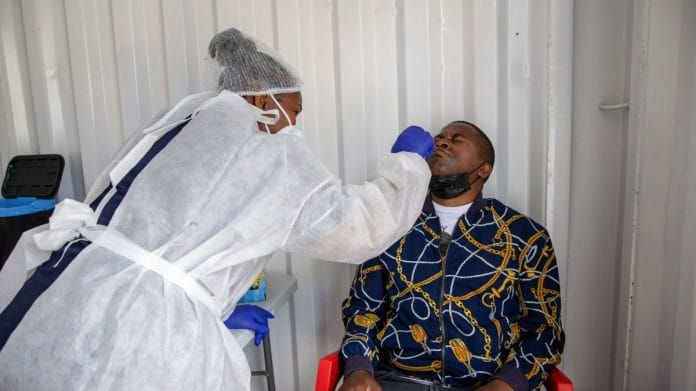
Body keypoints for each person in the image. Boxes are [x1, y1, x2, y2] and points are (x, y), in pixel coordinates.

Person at [0, 28, 434, 391]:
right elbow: (358, 229)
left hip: (66, 290)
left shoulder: (178, 122)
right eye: (294, 111)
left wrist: (216, 304)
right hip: (140, 330)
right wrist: (407, 167)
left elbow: (167, 231)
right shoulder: (267, 153)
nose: (294, 126)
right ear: (265, 101)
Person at [339, 121, 564, 391]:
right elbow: (364, 310)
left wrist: (507, 384)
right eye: (439, 137)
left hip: (486, 384)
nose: (442, 142)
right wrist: (358, 369)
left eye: (457, 139)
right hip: (399, 380)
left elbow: (544, 329)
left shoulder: (525, 236)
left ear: (484, 169)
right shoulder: (392, 223)